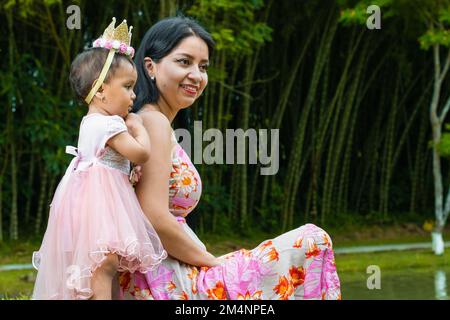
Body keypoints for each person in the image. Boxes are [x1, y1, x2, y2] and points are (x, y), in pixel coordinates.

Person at [118, 16, 341, 300]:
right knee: (313, 240)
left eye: (203, 66)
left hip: (170, 272)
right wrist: (212, 262)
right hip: (165, 281)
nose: (197, 75)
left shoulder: (150, 121)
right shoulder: (153, 122)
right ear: (150, 66)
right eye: (184, 62)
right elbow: (155, 218)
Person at [31, 18, 166, 300]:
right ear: (101, 90)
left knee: (100, 264)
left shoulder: (90, 122)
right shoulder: (110, 125)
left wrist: (129, 171)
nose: (134, 96)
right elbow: (141, 152)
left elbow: (116, 160)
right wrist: (140, 129)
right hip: (101, 204)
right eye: (128, 87)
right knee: (104, 264)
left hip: (84, 201)